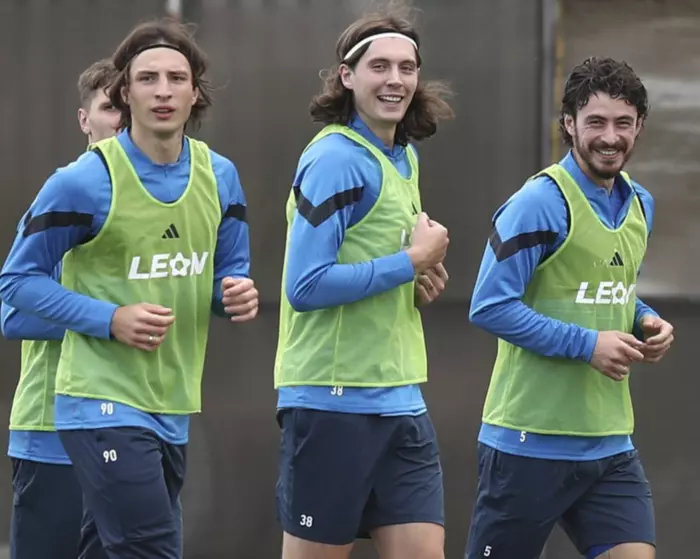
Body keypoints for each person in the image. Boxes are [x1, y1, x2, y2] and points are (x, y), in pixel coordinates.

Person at [0, 18, 258, 559]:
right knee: (151, 549)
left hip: (168, 404)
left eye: (176, 78)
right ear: (120, 97)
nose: (162, 92)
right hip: (75, 413)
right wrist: (110, 320)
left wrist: (232, 294)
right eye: (146, 80)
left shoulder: (219, 176)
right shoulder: (79, 184)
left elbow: (222, 276)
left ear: (195, 92)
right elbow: (14, 294)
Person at [465, 57, 675, 559]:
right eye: (595, 122)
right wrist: (587, 345)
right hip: (528, 442)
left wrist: (645, 319)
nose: (610, 137)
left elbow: (606, 290)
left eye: (623, 122)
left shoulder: (640, 204)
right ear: (569, 124)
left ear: (639, 126)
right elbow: (489, 305)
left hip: (610, 445)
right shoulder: (538, 202)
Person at [273, 7, 454, 559]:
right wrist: (409, 262)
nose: (395, 79)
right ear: (347, 77)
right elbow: (305, 285)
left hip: (401, 400)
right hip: (331, 403)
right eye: (379, 66)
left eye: (406, 67)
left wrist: (417, 279)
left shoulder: (405, 158)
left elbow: (378, 262)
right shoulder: (334, 158)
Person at [1, 58, 119, 559]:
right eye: (109, 107)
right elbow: (14, 314)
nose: (122, 119)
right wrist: (111, 320)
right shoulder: (65, 196)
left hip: (135, 429)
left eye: (127, 106)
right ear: (84, 120)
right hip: (53, 432)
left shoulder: (167, 200)